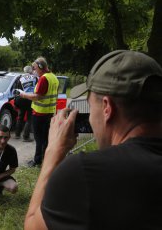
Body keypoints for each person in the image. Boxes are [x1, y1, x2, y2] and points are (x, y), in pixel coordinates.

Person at [24, 50, 162, 230]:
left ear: (107, 108)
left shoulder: (84, 173)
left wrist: (53, 152)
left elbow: (32, 226)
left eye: (90, 106)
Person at [19, 57, 59, 167]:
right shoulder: (53, 77)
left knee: (39, 139)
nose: (34, 70)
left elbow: (37, 97)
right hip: (49, 112)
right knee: (45, 138)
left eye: (35, 68)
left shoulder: (43, 79)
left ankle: (37, 161)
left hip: (40, 114)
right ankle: (45, 159)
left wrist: (23, 94)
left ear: (40, 67)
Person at [15, 65, 38, 142]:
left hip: (22, 98)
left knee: (20, 116)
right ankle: (26, 136)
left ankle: (17, 134)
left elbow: (17, 89)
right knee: (29, 118)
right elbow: (37, 89)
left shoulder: (20, 78)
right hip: (30, 98)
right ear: (31, 70)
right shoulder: (35, 77)